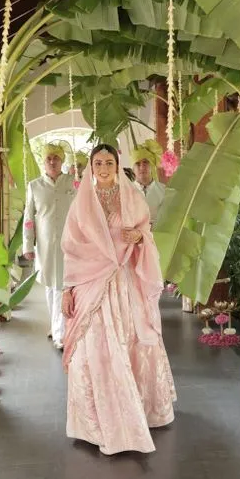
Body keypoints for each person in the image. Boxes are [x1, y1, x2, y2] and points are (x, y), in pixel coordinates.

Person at [61, 144, 176, 455]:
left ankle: (137, 412)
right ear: (91, 166)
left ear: (116, 164)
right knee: (92, 350)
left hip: (124, 283)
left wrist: (139, 238)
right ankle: (96, 423)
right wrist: (67, 289)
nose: (103, 168)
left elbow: (146, 232)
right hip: (90, 285)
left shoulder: (131, 198)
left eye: (109, 162)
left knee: (130, 342)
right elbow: (71, 249)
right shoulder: (81, 202)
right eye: (98, 162)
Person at [23, 142, 75, 350]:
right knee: (50, 286)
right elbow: (28, 218)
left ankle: (60, 334)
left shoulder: (73, 183)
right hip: (44, 246)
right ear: (43, 162)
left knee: (62, 286)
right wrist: (27, 244)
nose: (52, 161)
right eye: (48, 158)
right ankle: (56, 326)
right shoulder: (34, 186)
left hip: (69, 244)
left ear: (62, 161)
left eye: (56, 158)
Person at [131, 139, 166, 225]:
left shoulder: (164, 191)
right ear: (133, 168)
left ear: (152, 165)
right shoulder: (125, 191)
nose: (142, 167)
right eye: (138, 163)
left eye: (146, 162)